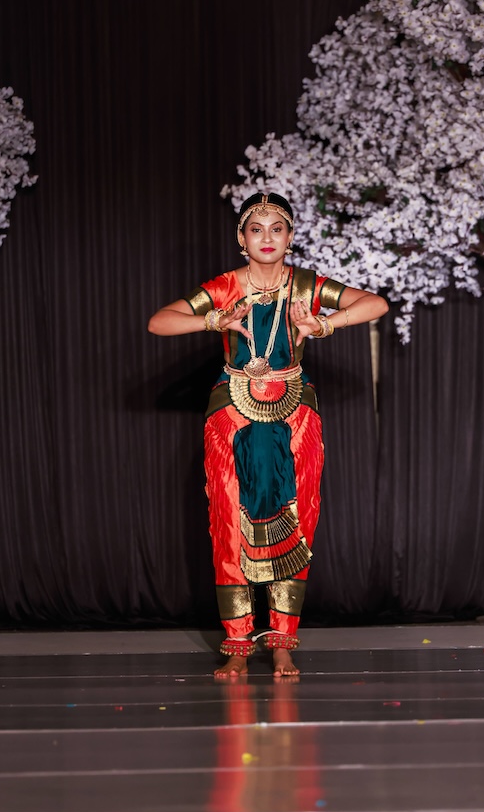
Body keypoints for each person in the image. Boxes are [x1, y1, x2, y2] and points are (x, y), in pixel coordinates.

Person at [148, 192, 388, 678]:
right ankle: (237, 645)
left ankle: (281, 643)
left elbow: (376, 304)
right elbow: (159, 322)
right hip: (231, 416)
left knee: (297, 521)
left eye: (277, 229)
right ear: (242, 238)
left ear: (290, 236)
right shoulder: (225, 288)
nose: (266, 238)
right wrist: (213, 320)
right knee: (228, 524)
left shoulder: (305, 286)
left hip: (295, 416)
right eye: (256, 229)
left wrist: (324, 325)